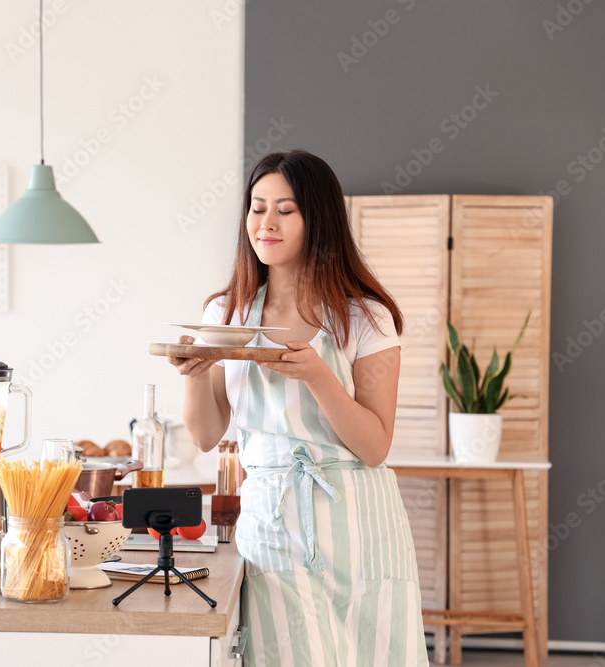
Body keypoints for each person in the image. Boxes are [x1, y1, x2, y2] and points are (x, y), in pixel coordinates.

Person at [169, 150, 429, 666]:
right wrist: (195, 373)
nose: (266, 223)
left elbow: (375, 446)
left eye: (285, 210)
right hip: (270, 517)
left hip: (360, 523)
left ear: (319, 220)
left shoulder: (365, 316)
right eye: (257, 207)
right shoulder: (226, 312)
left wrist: (318, 375)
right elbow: (205, 434)